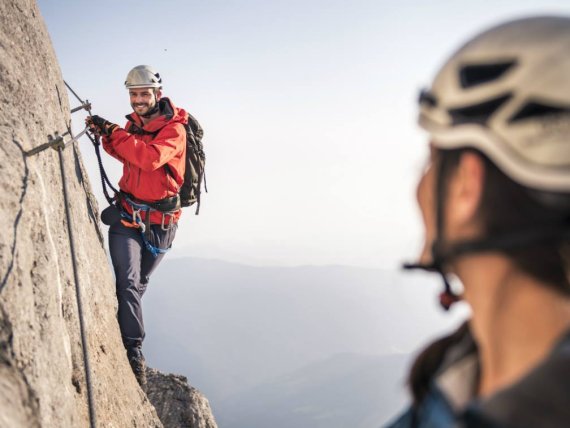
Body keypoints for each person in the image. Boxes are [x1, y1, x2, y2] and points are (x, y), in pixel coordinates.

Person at [387, 16, 570, 427]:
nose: (419, 185)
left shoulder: (448, 390)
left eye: (431, 161)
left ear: (466, 185)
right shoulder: (455, 379)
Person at [86, 65, 188, 388]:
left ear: (157, 94)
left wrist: (115, 132)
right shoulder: (132, 126)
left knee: (138, 283)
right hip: (128, 217)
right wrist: (106, 136)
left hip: (160, 225)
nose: (138, 100)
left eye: (144, 94)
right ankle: (134, 352)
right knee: (128, 283)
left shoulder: (175, 131)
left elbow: (149, 158)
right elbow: (127, 154)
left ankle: (123, 331)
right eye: (134, 94)